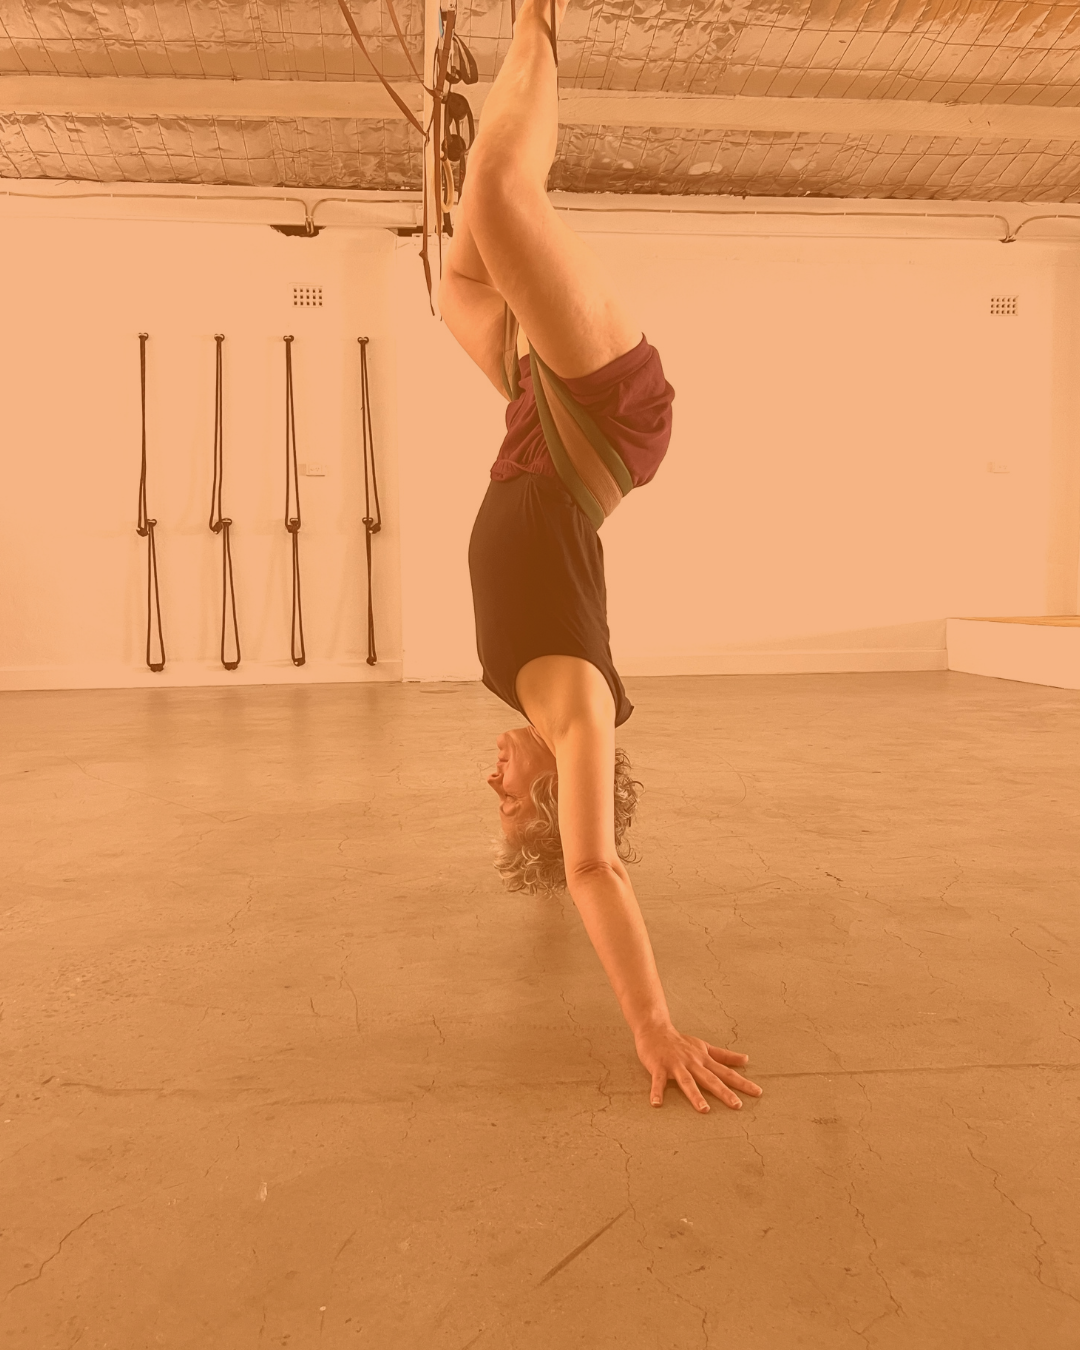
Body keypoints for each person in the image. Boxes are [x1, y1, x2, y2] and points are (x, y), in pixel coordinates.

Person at [438, 0, 762, 1115]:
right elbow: (594, 869)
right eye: (511, 800)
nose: (494, 780)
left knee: (457, 285)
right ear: (562, 788)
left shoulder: (510, 681)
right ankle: (539, 27)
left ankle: (503, 111)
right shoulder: (575, 701)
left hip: (542, 426)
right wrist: (654, 1025)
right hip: (607, 420)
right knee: (497, 195)